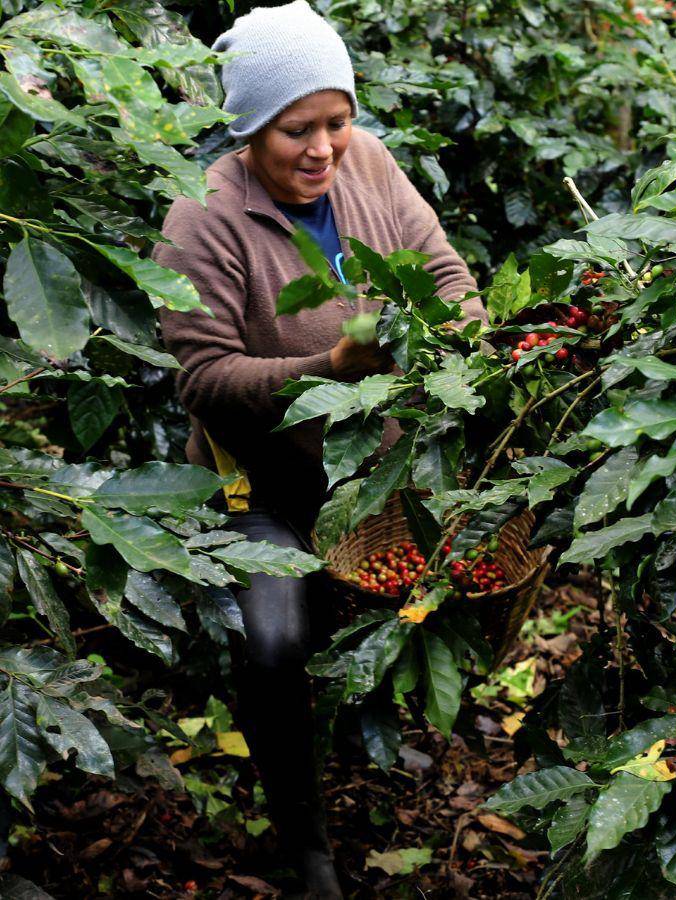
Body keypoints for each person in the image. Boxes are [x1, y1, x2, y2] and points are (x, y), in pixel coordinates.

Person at [151, 2, 485, 896]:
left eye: (338, 121)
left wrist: (464, 340)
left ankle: (369, 736)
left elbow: (445, 271)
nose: (324, 148)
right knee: (273, 646)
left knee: (389, 614)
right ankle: (305, 837)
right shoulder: (205, 218)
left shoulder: (368, 163)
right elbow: (206, 379)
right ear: (252, 129)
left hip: (374, 468)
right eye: (298, 129)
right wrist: (324, 368)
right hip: (261, 480)